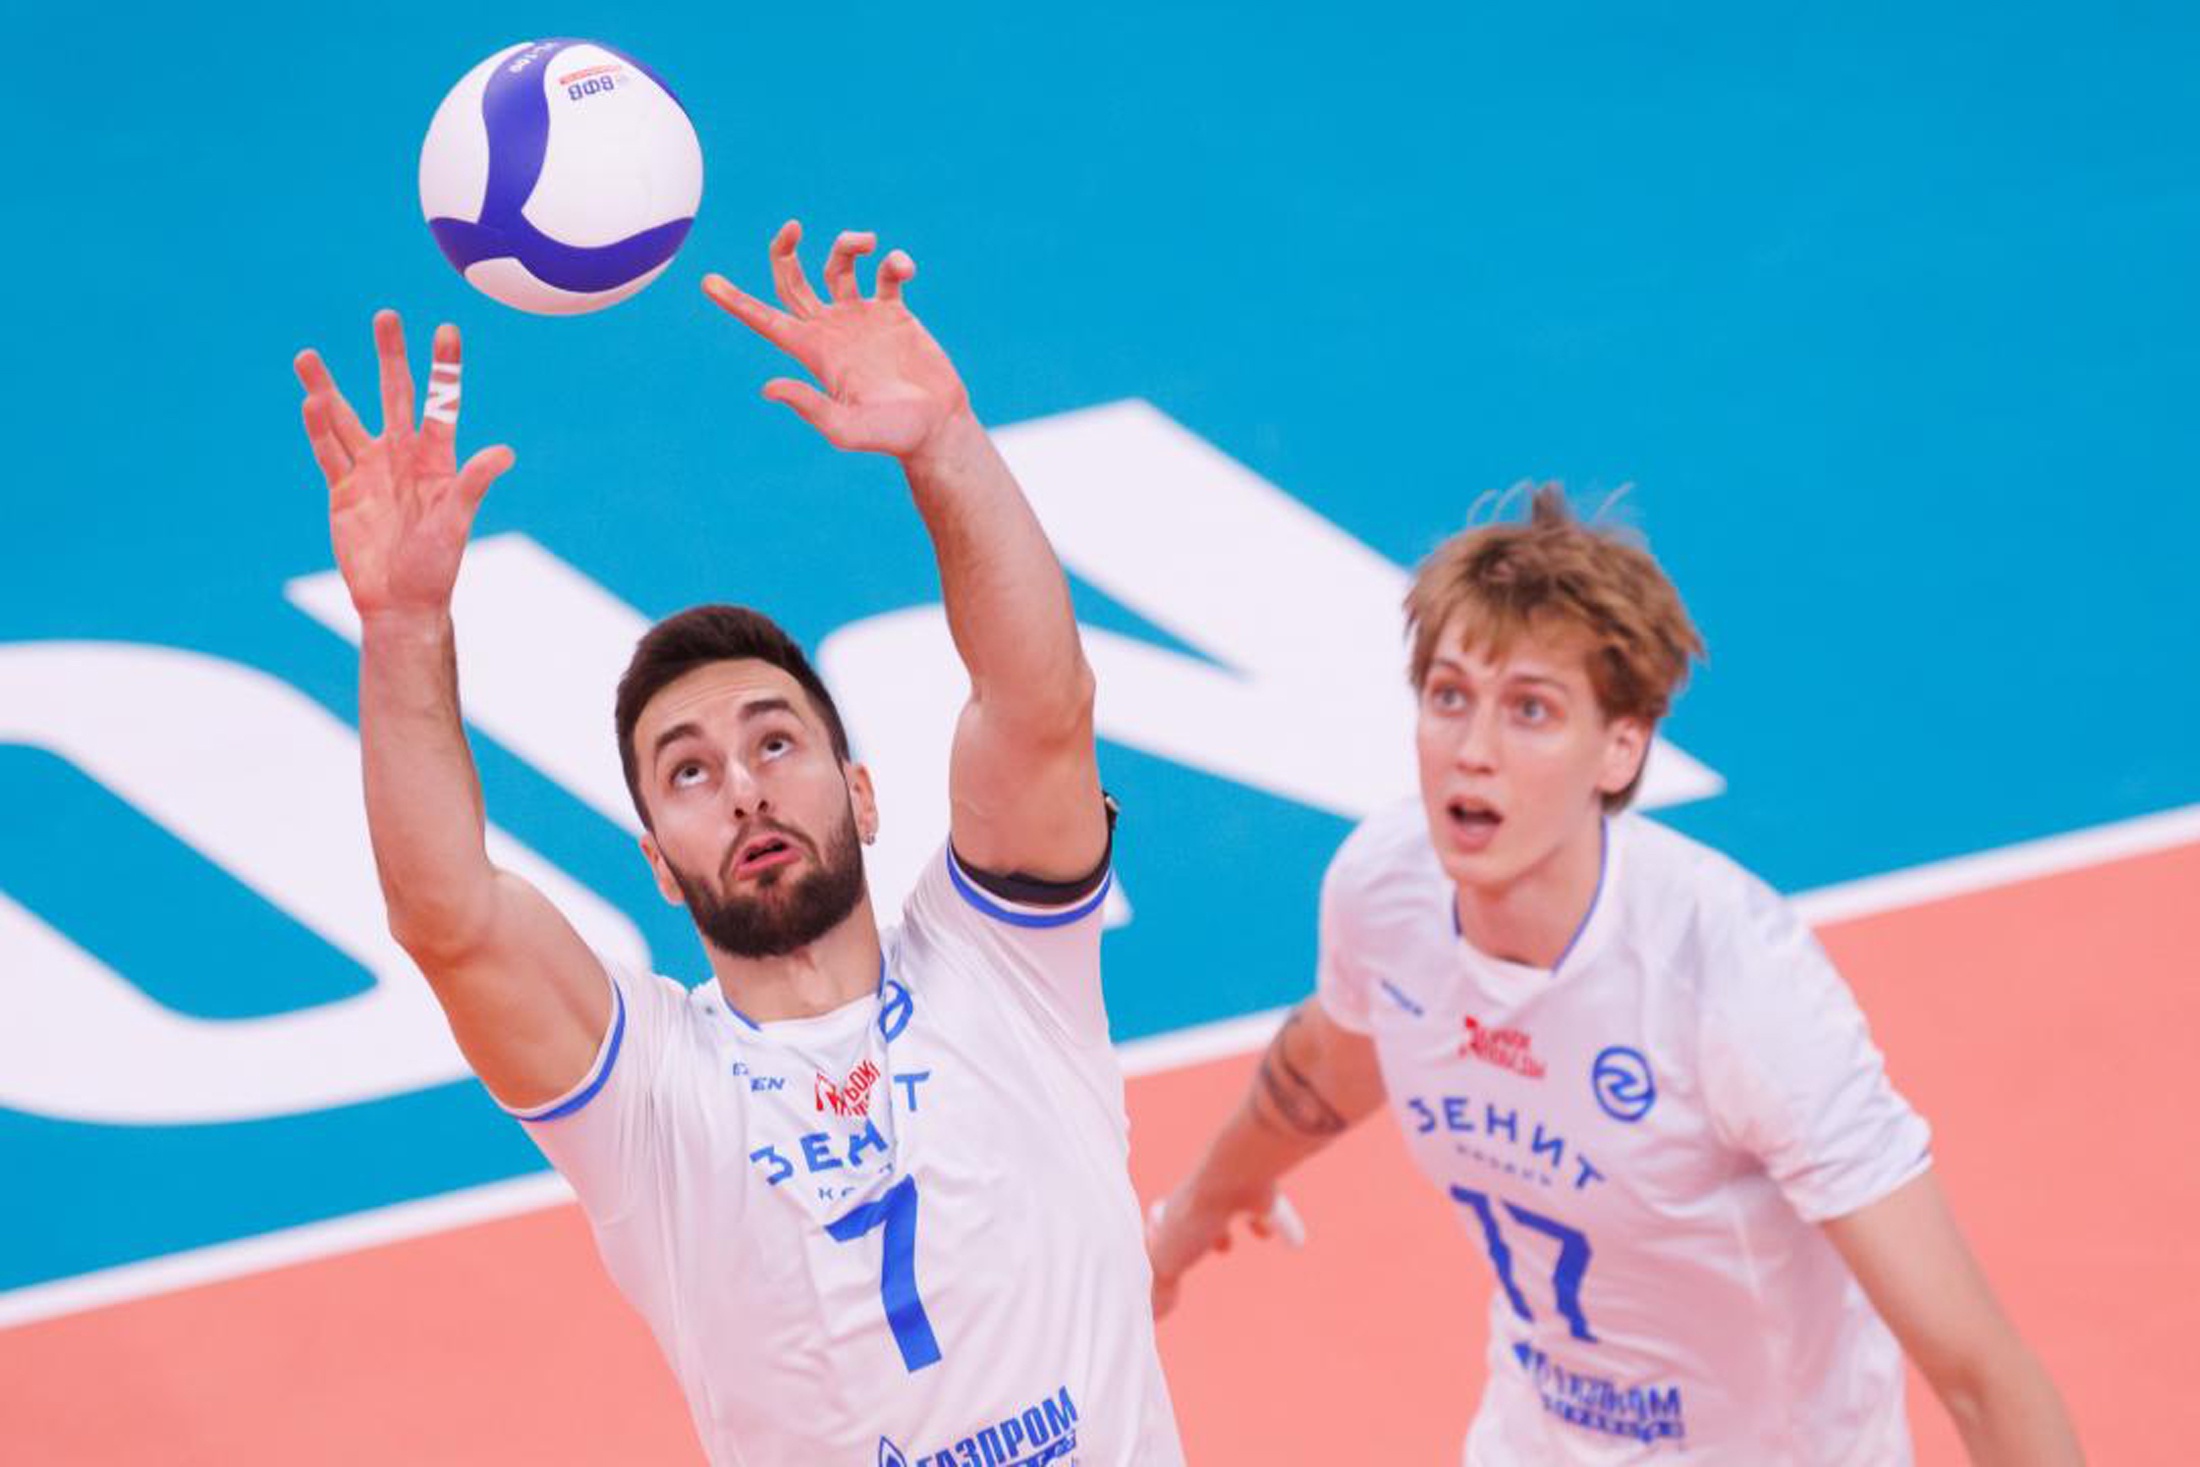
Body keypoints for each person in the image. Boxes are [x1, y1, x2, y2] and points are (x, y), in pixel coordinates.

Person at [293, 222, 1183, 1467]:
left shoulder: (1008, 969)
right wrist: (401, 628)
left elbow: (1040, 708)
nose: (746, 793)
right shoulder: (649, 1100)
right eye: (690, 774)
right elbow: (450, 919)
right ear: (659, 863)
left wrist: (946, 443)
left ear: (861, 794)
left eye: (775, 743)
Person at [1144, 487, 2082, 1464]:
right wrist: (1189, 1215)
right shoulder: (1386, 886)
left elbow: (1981, 1375)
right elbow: (1325, 1065)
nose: (1473, 751)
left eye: (1531, 711)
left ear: (1621, 746)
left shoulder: (1733, 984)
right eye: (1450, 696)